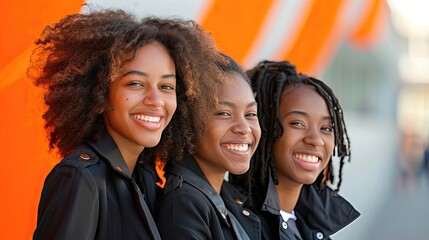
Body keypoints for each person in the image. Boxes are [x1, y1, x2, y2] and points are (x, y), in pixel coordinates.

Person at [29, 9, 225, 240]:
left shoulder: (146, 178)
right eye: (135, 83)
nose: (155, 100)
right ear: (99, 94)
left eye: (166, 87)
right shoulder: (79, 178)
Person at [231, 60, 360, 239]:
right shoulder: (233, 223)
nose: (316, 140)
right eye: (298, 123)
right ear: (264, 126)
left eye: (327, 128)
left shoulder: (314, 226)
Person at [153, 54, 261, 239]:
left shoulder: (224, 199)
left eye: (250, 114)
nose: (244, 128)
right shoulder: (184, 203)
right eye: (224, 113)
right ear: (186, 122)